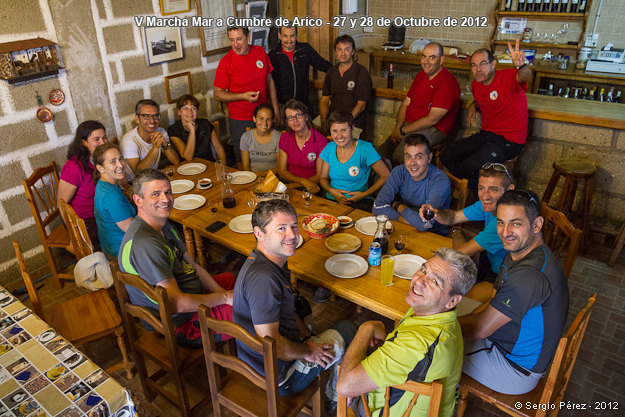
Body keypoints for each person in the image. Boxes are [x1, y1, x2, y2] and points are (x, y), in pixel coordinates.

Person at [233, 200, 356, 412]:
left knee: (304, 311)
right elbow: (273, 346)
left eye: (294, 226)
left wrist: (307, 337)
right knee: (350, 329)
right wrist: (308, 352)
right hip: (277, 377)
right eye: (281, 228)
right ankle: (334, 399)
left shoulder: (270, 258)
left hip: (254, 360)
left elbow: (287, 309)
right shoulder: (264, 279)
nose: (292, 235)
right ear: (259, 233)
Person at [337, 248, 477, 417]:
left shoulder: (419, 344)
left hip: (384, 411)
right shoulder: (438, 315)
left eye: (435, 282)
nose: (419, 281)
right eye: (424, 270)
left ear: (453, 300)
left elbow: (344, 386)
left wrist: (366, 328)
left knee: (338, 356)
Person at [459, 190, 569, 395]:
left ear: (537, 224)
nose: (505, 231)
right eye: (500, 222)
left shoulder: (529, 276)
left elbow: (480, 329)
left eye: (515, 223)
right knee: (450, 319)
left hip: (514, 369)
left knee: (433, 349)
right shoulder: (522, 251)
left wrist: (440, 325)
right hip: (506, 344)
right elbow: (494, 298)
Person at [118, 169, 234, 347]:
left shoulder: (165, 226)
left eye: (168, 192)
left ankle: (242, 336)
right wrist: (224, 299)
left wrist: (221, 294)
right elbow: (176, 304)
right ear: (138, 200)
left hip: (191, 297)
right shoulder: (145, 243)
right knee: (255, 309)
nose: (165, 199)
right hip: (180, 323)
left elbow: (194, 266)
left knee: (233, 280)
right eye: (155, 194)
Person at [441, 40, 531, 190]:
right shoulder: (476, 85)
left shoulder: (508, 77)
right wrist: (474, 104)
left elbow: (524, 76)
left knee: (470, 165)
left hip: (511, 141)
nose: (478, 70)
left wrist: (520, 65)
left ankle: (476, 198)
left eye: (482, 64)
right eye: (474, 65)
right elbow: (486, 96)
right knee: (447, 155)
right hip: (488, 135)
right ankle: (473, 192)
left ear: (493, 64)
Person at [420, 163, 515, 282]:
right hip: (490, 262)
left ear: (509, 190)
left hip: (502, 279)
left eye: (493, 189)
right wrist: (435, 213)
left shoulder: (504, 223)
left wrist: (426, 266)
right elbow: (454, 217)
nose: (485, 196)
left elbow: (459, 255)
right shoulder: (489, 205)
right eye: (481, 188)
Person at [377, 42, 461, 165]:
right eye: (424, 56)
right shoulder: (421, 75)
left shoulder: (447, 82)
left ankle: (402, 182)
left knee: (400, 157)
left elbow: (432, 120)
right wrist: (398, 128)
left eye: (432, 57)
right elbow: (406, 103)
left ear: (441, 60)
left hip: (434, 128)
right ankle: (388, 182)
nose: (426, 61)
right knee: (380, 155)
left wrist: (402, 131)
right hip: (410, 126)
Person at [213, 26, 279, 166]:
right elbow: (217, 94)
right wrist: (243, 96)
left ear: (248, 37)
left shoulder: (260, 52)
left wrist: (275, 108)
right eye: (232, 40)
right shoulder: (226, 62)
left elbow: (270, 81)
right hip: (240, 119)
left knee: (269, 157)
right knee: (242, 162)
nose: (235, 44)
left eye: (239, 39)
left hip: (264, 116)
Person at [373, 134, 451, 236]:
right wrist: (403, 220)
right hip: (404, 229)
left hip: (433, 235)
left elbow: (424, 224)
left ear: (429, 158)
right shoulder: (399, 171)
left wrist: (398, 206)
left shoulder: (440, 180)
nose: (412, 163)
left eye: (419, 157)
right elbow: (377, 207)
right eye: (408, 156)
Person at [319, 111, 390, 212]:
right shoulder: (329, 148)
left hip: (360, 202)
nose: (339, 136)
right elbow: (323, 178)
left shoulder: (365, 149)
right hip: (332, 199)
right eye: (335, 131)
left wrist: (364, 194)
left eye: (343, 130)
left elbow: (386, 175)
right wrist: (332, 191)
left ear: (352, 128)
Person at [58, 120, 108, 247]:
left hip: (100, 211)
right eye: (96, 139)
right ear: (84, 142)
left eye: (104, 138)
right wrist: (74, 232)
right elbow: (61, 203)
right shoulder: (74, 167)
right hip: (84, 219)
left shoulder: (98, 160)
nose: (102, 142)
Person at [319, 35, 372, 138]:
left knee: (344, 140)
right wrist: (324, 120)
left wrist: (345, 124)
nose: (343, 53)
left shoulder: (361, 72)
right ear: (336, 52)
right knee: (311, 131)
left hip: (353, 121)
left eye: (347, 49)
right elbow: (324, 100)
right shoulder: (331, 71)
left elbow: (361, 105)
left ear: (352, 52)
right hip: (333, 118)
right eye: (340, 50)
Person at [268, 25, 331, 109]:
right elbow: (268, 81)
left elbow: (323, 65)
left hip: (302, 105)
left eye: (292, 36)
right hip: (282, 106)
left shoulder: (305, 49)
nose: (289, 40)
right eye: (285, 36)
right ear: (279, 36)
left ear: (297, 35)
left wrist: (341, 70)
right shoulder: (273, 55)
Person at [93, 143, 136, 258]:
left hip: (111, 246)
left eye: (121, 159)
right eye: (113, 162)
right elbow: (132, 230)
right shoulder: (110, 195)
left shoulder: (103, 184)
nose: (121, 165)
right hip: (123, 252)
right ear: (100, 168)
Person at [277, 99, 328, 193]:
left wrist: (295, 186)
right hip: (288, 185)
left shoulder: (321, 141)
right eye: (290, 117)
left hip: (312, 187)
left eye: (298, 115)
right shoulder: (285, 138)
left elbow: (320, 176)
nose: (295, 120)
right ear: (287, 122)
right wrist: (302, 181)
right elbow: (282, 171)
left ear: (306, 117)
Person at [120, 99, 180, 173]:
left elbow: (176, 161)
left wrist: (165, 144)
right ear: (137, 119)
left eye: (155, 116)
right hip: (133, 182)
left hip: (153, 176)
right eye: (146, 116)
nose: (152, 121)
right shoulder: (129, 140)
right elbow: (138, 172)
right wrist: (155, 148)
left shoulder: (160, 131)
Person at [167, 94, 227, 163]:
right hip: (187, 169)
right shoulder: (173, 130)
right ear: (179, 112)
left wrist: (223, 167)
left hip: (208, 165)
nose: (190, 112)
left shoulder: (205, 124)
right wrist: (192, 131)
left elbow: (219, 148)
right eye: (185, 108)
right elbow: (188, 157)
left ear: (197, 111)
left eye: (193, 108)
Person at [240, 103, 281, 173]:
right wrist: (254, 177)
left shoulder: (278, 137)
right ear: (254, 119)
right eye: (261, 118)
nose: (264, 123)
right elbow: (245, 167)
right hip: (252, 178)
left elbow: (280, 167)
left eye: (269, 119)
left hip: (273, 177)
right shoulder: (246, 137)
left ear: (273, 120)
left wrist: (259, 175)